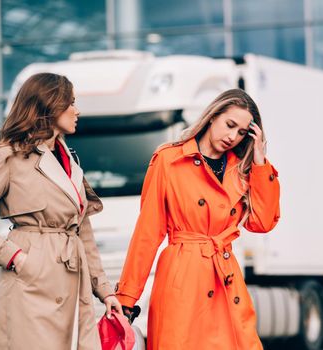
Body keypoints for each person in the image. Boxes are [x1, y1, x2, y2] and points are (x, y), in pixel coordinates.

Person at [0, 72, 122, 349]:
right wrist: (16, 258)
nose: (77, 110)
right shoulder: (8, 155)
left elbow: (82, 230)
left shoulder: (68, 159)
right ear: (49, 105)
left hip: (74, 279)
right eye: (70, 102)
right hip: (29, 283)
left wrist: (105, 291)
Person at [115, 89, 280, 349]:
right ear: (212, 116)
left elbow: (262, 222)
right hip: (183, 281)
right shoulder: (170, 160)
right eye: (229, 125)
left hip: (225, 279)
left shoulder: (242, 170)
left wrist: (259, 162)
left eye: (241, 132)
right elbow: (147, 234)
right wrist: (127, 298)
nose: (232, 137)